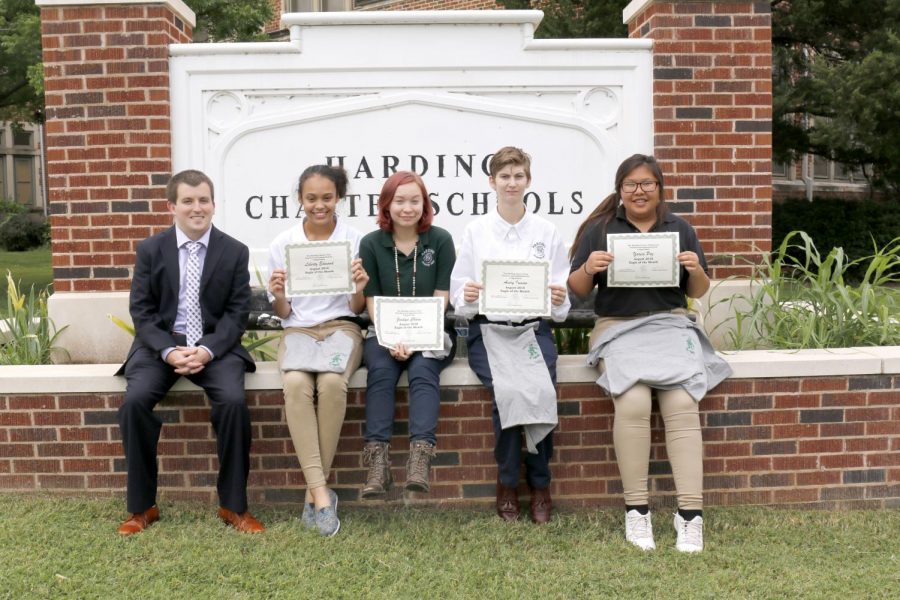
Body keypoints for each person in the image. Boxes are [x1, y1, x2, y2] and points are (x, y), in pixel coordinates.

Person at [568, 154, 729, 553]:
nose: (639, 191)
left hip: (670, 325)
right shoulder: (600, 229)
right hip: (617, 328)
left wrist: (695, 269)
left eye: (647, 184)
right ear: (620, 190)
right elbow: (577, 289)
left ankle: (690, 516)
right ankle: (636, 511)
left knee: (681, 401)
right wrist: (589, 267)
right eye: (631, 185)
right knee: (634, 401)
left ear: (659, 188)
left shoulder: (680, 229)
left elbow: (697, 292)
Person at [115, 169, 264, 535]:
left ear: (213, 204)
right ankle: (142, 508)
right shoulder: (151, 249)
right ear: (172, 206)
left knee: (232, 403)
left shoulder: (234, 251)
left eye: (204, 200)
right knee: (134, 403)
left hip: (215, 346)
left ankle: (233, 507)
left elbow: (236, 313)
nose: (197, 208)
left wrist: (207, 350)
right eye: (188, 201)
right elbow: (142, 311)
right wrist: (168, 350)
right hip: (161, 348)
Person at [450, 146, 570, 524]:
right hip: (489, 332)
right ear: (492, 182)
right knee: (509, 395)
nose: (512, 183)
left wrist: (558, 297)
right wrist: (467, 295)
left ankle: (540, 486)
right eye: (505, 176)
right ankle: (507, 486)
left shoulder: (546, 232)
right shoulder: (476, 231)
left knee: (541, 392)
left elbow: (561, 304)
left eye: (519, 176)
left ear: (528, 181)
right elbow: (459, 294)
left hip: (534, 331)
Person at [267, 165, 368, 537]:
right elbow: (284, 312)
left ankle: (314, 494)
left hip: (342, 328)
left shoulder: (355, 240)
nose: (319, 205)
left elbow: (356, 308)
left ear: (338, 198)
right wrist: (278, 293)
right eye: (311, 198)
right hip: (298, 329)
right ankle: (323, 495)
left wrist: (359, 286)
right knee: (294, 384)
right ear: (300, 199)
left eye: (327, 197)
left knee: (330, 383)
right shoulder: (284, 243)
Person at [357, 170, 456, 498]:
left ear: (424, 204)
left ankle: (419, 459)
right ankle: (378, 465)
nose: (407, 208)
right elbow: (369, 300)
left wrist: (417, 338)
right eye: (399, 201)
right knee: (382, 371)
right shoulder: (371, 244)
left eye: (415, 200)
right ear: (387, 205)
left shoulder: (440, 240)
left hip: (431, 332)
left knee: (423, 370)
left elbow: (442, 295)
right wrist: (391, 337)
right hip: (382, 335)